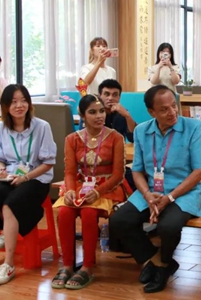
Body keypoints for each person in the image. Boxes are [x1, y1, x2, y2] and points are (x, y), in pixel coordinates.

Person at [110, 85, 201, 294]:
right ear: (151, 112)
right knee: (119, 221)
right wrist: (147, 195)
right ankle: (153, 260)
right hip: (151, 191)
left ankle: (163, 265)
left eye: (174, 106)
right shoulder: (141, 131)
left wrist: (170, 197)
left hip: (184, 193)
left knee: (168, 226)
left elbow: (199, 172)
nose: (172, 112)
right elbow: (137, 171)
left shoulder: (194, 127)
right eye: (164, 109)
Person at [51, 94, 125, 290]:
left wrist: (98, 192)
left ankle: (88, 267)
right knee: (64, 212)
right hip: (81, 185)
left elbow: (118, 175)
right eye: (92, 112)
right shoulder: (72, 139)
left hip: (108, 188)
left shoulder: (116, 138)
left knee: (88, 212)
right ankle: (68, 265)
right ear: (82, 115)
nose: (99, 116)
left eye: (101, 111)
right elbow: (69, 172)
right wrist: (69, 190)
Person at [0, 84, 57, 285]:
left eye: (23, 101)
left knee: (11, 204)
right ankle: (6, 229)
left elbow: (48, 163)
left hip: (36, 178)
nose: (19, 106)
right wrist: (1, 170)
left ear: (29, 103)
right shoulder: (0, 128)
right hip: (11, 175)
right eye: (13, 102)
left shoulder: (42, 127)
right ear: (5, 106)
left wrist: (26, 178)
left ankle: (8, 264)